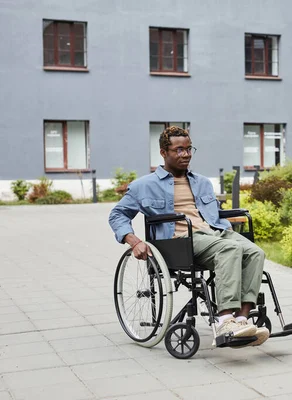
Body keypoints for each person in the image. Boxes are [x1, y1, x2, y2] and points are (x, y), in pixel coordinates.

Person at [108, 125, 269, 347]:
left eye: (189, 149)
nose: (186, 154)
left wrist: (227, 228)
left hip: (213, 233)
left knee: (254, 251)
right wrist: (134, 241)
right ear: (164, 153)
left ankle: (242, 320)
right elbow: (117, 215)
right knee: (230, 250)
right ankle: (225, 320)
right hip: (180, 241)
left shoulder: (202, 182)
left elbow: (212, 214)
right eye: (179, 150)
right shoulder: (144, 186)